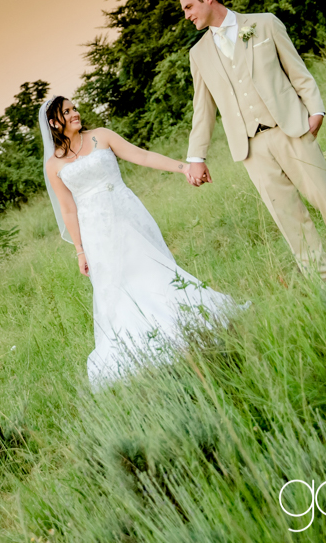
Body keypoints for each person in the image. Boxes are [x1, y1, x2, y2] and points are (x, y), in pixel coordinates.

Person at [40, 93, 240, 390]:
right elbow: (68, 208)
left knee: (152, 270)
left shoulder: (101, 137)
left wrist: (183, 167)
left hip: (127, 216)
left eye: (75, 108)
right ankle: (140, 346)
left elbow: (142, 156)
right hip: (96, 232)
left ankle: (184, 324)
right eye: (67, 112)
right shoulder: (54, 165)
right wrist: (80, 251)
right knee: (115, 288)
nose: (75, 113)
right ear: (54, 122)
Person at [179, 0, 326, 281]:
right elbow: (203, 109)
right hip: (251, 148)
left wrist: (316, 109)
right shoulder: (197, 54)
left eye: (188, 7)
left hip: (291, 129)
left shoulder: (264, 24)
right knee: (289, 219)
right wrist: (196, 157)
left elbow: (297, 70)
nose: (186, 15)